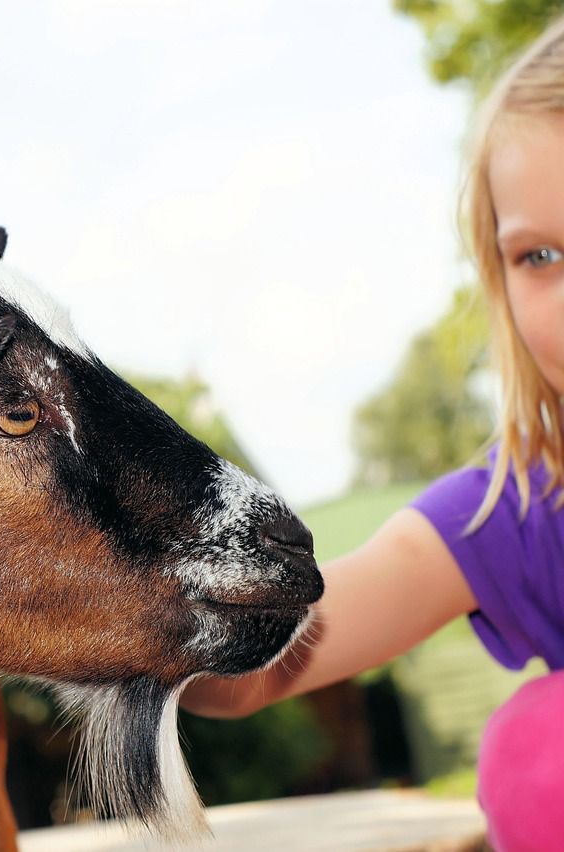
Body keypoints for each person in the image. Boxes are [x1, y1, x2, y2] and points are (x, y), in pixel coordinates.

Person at [181, 16, 564, 851]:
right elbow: (257, 672)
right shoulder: (514, 509)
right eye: (540, 257)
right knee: (540, 758)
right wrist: (89, 596)